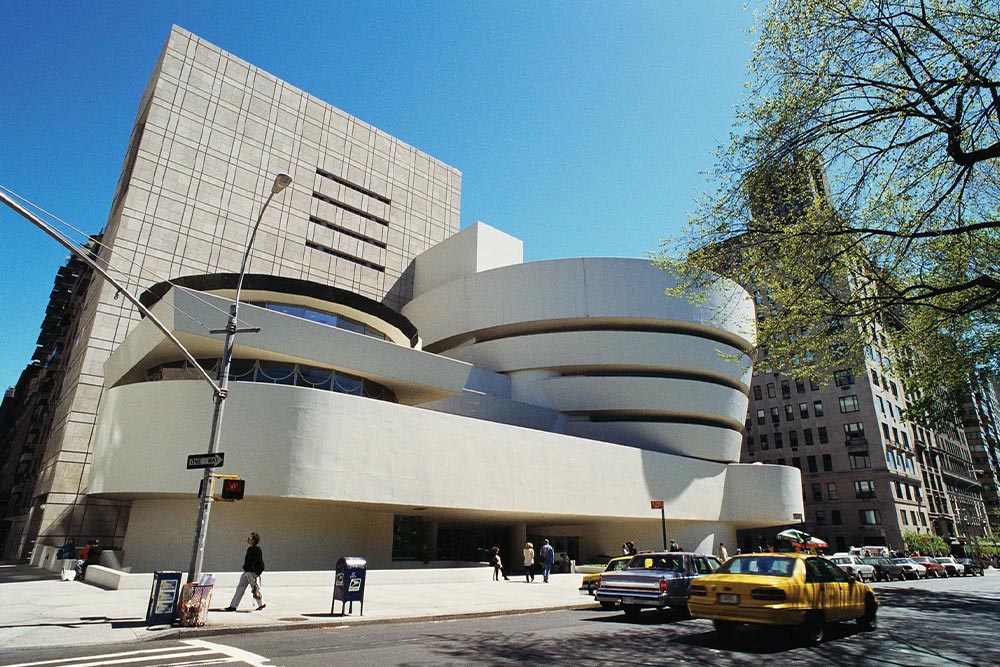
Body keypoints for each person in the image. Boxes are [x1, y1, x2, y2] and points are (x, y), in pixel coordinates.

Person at [226, 532, 266, 611]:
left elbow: (260, 562)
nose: (248, 539)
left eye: (250, 538)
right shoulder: (249, 549)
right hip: (246, 572)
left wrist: (257, 573)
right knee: (240, 588)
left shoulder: (257, 549)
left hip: (252, 573)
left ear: (254, 540)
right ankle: (233, 606)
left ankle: (261, 604)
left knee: (255, 589)